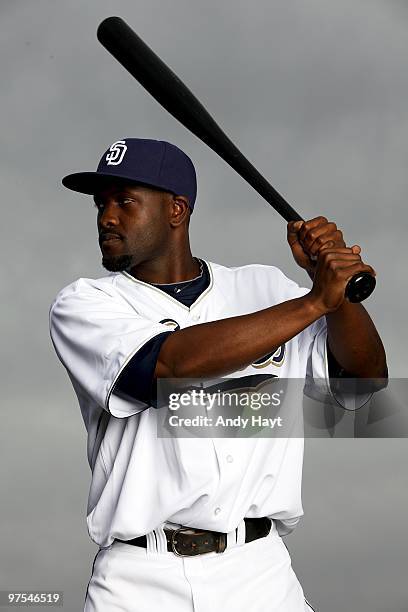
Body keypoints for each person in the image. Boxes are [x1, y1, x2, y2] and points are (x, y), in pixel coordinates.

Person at [49, 138, 387, 612]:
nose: (107, 217)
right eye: (101, 204)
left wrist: (336, 291)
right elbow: (169, 365)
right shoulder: (84, 303)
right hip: (139, 578)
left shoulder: (264, 288)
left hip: (258, 573)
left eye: (125, 201)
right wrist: (315, 301)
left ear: (176, 210)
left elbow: (364, 382)